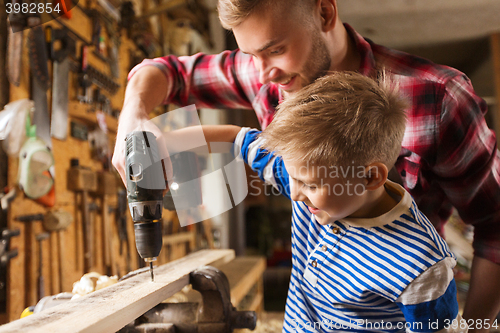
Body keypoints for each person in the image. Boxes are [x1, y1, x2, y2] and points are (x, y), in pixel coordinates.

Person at [112, 0, 500, 329]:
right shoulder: (265, 74)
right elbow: (168, 73)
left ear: (325, 13)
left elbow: (495, 231)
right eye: (251, 56)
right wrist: (135, 121)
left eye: (275, 49)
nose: (263, 75)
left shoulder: (439, 98)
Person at [195, 71, 463, 332]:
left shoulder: (421, 265)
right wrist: (165, 144)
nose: (295, 193)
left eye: (309, 185)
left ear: (370, 177)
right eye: (293, 178)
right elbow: (236, 138)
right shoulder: (311, 181)